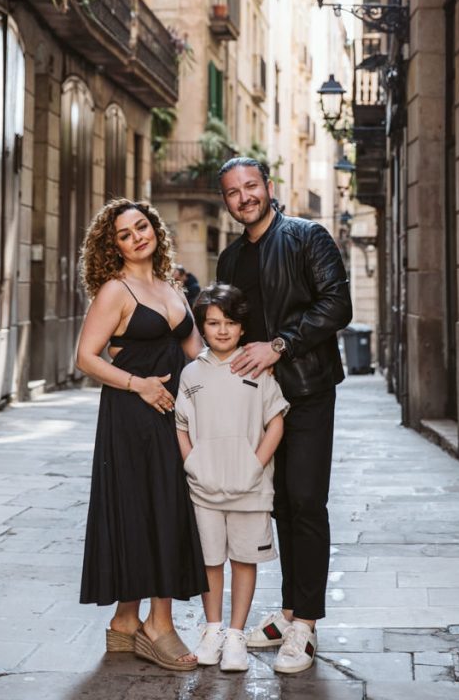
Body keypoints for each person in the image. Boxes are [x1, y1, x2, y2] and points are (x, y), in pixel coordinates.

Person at [216, 157, 352, 674]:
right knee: (277, 506)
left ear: (269, 188)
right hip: (259, 401)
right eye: (233, 192)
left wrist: (281, 345)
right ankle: (292, 610)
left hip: (309, 389)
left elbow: (337, 305)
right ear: (226, 201)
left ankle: (307, 625)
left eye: (251, 186)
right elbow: (223, 326)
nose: (244, 197)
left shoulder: (306, 237)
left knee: (306, 501)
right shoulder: (230, 260)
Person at [76, 198, 208, 672]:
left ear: (155, 229)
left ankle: (127, 624)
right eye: (125, 234)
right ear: (113, 248)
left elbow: (197, 353)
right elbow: (86, 357)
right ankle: (160, 625)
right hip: (133, 415)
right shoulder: (115, 290)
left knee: (159, 508)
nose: (137, 237)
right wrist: (138, 385)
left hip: (172, 415)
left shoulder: (172, 286)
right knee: (152, 509)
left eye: (142, 226)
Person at [175, 283, 289, 672]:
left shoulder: (257, 368)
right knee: (210, 561)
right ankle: (213, 630)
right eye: (213, 323)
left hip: (250, 489)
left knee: (243, 559)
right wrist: (194, 464)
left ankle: (237, 635)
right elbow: (181, 426)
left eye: (230, 323)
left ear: (243, 328)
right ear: (202, 327)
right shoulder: (191, 373)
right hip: (203, 489)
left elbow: (275, 423)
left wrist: (255, 465)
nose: (222, 330)